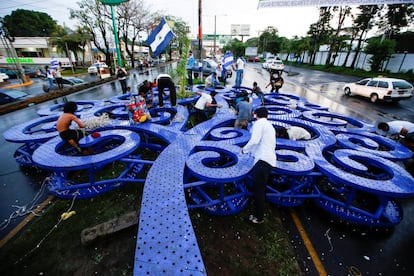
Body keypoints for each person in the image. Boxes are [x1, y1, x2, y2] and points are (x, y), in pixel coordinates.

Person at [241, 107, 276, 224]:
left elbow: (255, 140)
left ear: (256, 115)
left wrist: (244, 149)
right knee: (260, 189)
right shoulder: (269, 126)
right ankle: (257, 212)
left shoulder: (259, 123)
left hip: (263, 160)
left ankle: (258, 218)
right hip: (269, 160)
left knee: (259, 191)